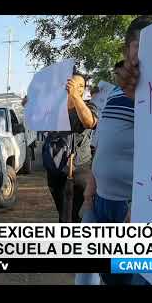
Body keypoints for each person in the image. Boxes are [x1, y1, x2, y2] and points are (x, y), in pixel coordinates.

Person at [75, 16, 152, 286]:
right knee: (108, 277)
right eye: (140, 44)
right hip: (101, 203)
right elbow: (102, 145)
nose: (147, 51)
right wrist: (90, 193)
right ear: (126, 51)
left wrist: (142, 208)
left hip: (133, 209)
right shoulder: (113, 93)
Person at [24, 72, 98, 223]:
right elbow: (38, 122)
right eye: (73, 85)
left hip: (78, 169)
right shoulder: (54, 109)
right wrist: (29, 105)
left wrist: (76, 98)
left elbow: (89, 123)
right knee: (63, 212)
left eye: (81, 86)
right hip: (55, 168)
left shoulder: (89, 106)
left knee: (75, 212)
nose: (77, 88)